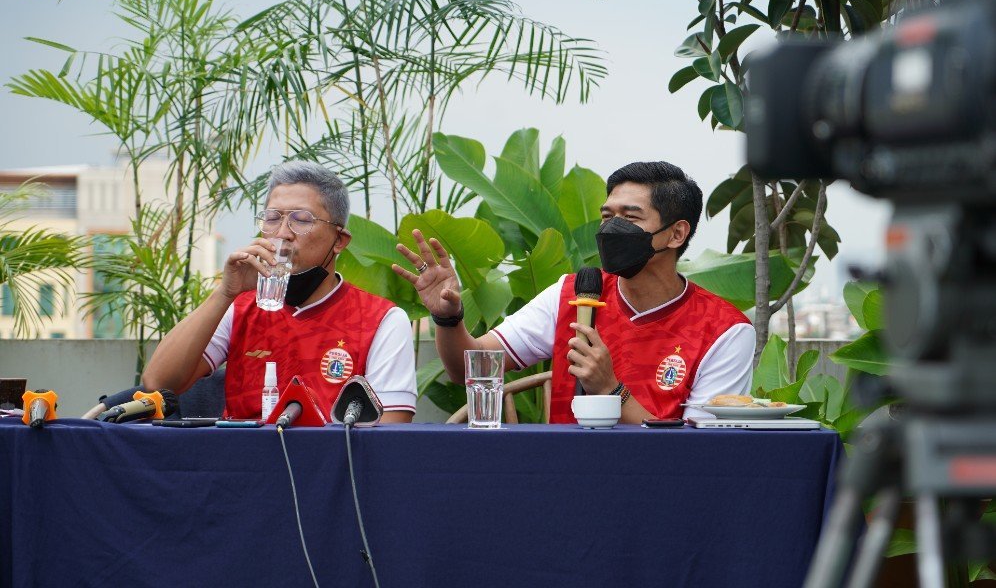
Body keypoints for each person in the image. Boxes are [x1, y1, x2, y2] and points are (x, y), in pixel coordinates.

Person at [392, 161, 754, 424]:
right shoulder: (572, 293)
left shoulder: (724, 331)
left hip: (657, 495)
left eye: (630, 218)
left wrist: (611, 390)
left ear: (676, 234)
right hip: (564, 480)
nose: (611, 228)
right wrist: (448, 317)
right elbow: (469, 368)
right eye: (606, 215)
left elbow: (702, 456)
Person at [143, 162, 417, 422]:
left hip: (334, 467)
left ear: (339, 240)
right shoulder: (240, 306)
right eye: (272, 218)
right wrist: (225, 293)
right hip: (238, 466)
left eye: (301, 220)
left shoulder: (382, 320)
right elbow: (159, 384)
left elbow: (389, 434)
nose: (283, 233)